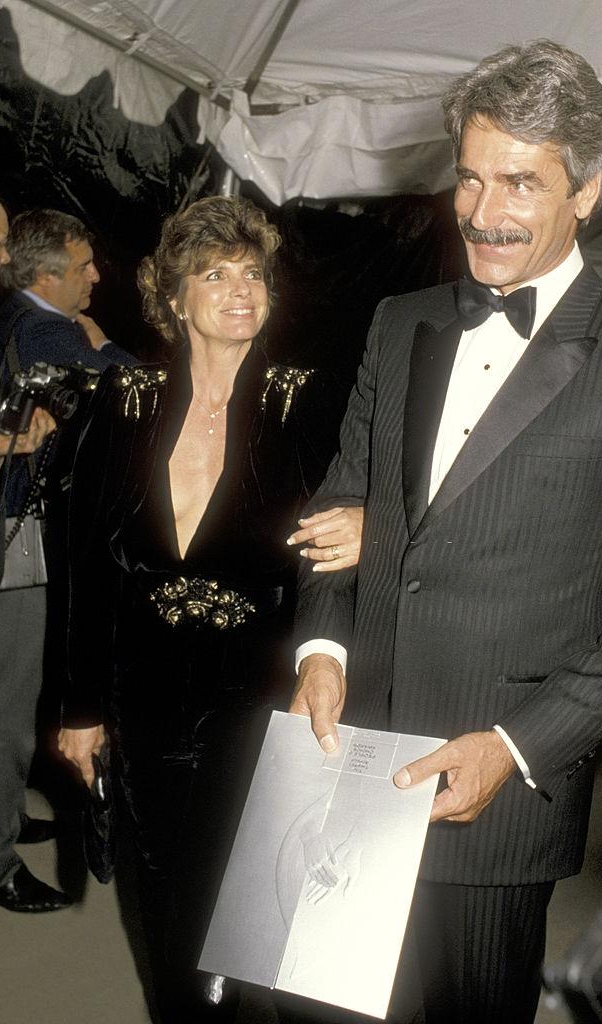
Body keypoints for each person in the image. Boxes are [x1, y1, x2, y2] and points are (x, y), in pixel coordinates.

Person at [290, 40, 602, 1024]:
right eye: (472, 177)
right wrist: (322, 646)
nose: (483, 213)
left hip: (493, 799)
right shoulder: (400, 321)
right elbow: (340, 505)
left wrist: (518, 744)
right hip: (351, 765)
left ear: (588, 190)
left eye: (520, 183)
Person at [56, 194, 363, 1021]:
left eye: (254, 273)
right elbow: (85, 564)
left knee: (249, 899)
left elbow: (375, 495)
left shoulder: (308, 399)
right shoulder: (123, 399)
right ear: (173, 294)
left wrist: (369, 520)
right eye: (215, 272)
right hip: (143, 687)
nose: (240, 289)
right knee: (162, 895)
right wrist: (80, 705)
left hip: (260, 690)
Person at [0, 206, 136, 913]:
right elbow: (138, 395)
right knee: (6, 708)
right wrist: (103, 346)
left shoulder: (3, 310)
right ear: (47, 275)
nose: (96, 276)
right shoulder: (47, 327)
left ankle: (1, 817)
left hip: (2, 520)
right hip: (12, 533)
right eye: (84, 267)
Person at [0, 188, 66, 914]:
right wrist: (20, 444)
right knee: (4, 711)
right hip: (1, 540)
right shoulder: (31, 327)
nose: (5, 255)